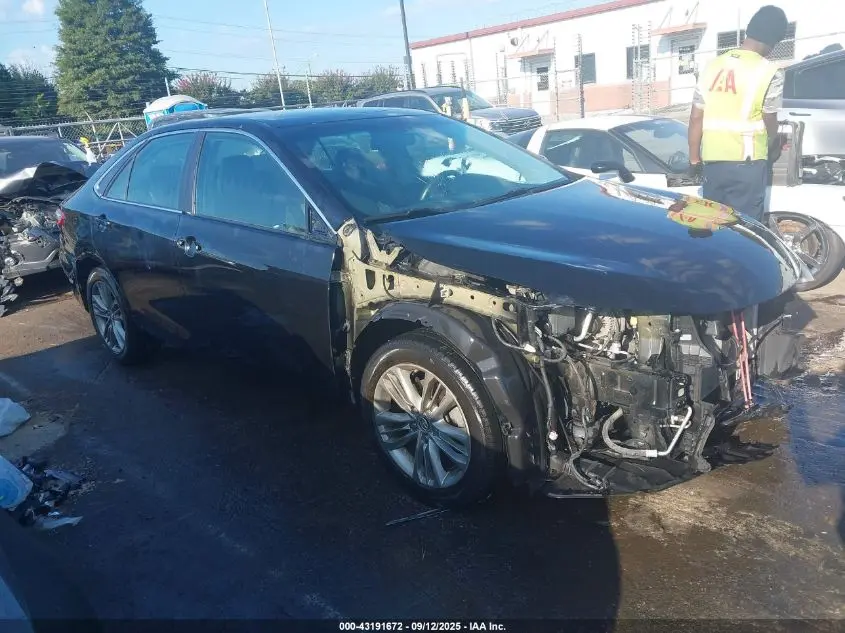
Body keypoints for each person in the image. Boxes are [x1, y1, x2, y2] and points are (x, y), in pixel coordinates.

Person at [687, 5, 789, 222]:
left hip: (712, 164)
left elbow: (696, 118)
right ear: (774, 42)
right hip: (747, 165)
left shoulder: (711, 66)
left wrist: (694, 160)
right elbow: (769, 117)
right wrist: (774, 138)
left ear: (748, 31)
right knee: (746, 230)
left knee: (714, 227)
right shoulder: (770, 71)